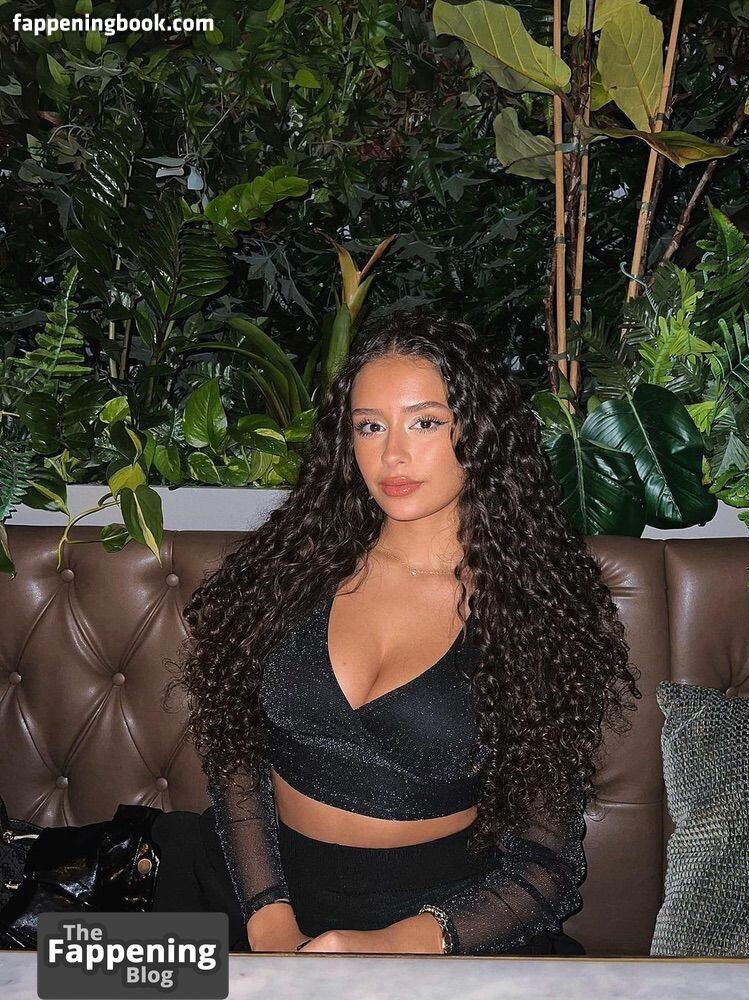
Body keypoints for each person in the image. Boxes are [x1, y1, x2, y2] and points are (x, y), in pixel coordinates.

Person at [169, 312, 641, 955]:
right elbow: (236, 757)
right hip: (249, 891)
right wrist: (268, 916)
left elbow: (543, 867)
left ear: (477, 431)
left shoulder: (537, 611)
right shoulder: (288, 569)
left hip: (433, 927)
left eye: (424, 422)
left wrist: (388, 946)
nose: (392, 455)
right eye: (370, 426)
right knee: (74, 971)